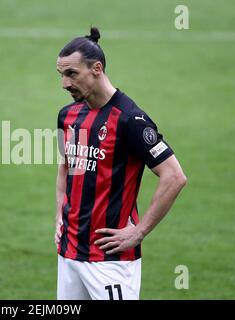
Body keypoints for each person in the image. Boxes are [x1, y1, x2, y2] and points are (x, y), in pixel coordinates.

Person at [55, 27, 187, 300]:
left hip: (110, 260)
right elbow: (66, 166)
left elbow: (174, 176)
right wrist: (60, 214)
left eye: (71, 74)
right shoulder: (67, 116)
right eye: (61, 75)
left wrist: (139, 232)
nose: (64, 84)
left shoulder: (130, 120)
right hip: (68, 253)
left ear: (97, 68)